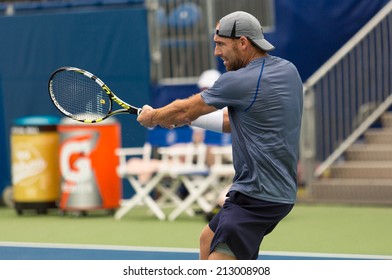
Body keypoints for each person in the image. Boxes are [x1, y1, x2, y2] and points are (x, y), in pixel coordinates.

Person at [137, 11, 303, 260]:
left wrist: (153, 117)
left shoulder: (239, 80)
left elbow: (185, 108)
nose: (217, 52)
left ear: (243, 42)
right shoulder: (287, 71)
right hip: (278, 193)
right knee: (207, 238)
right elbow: (232, 121)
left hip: (256, 196)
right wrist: (180, 119)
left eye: (221, 44)